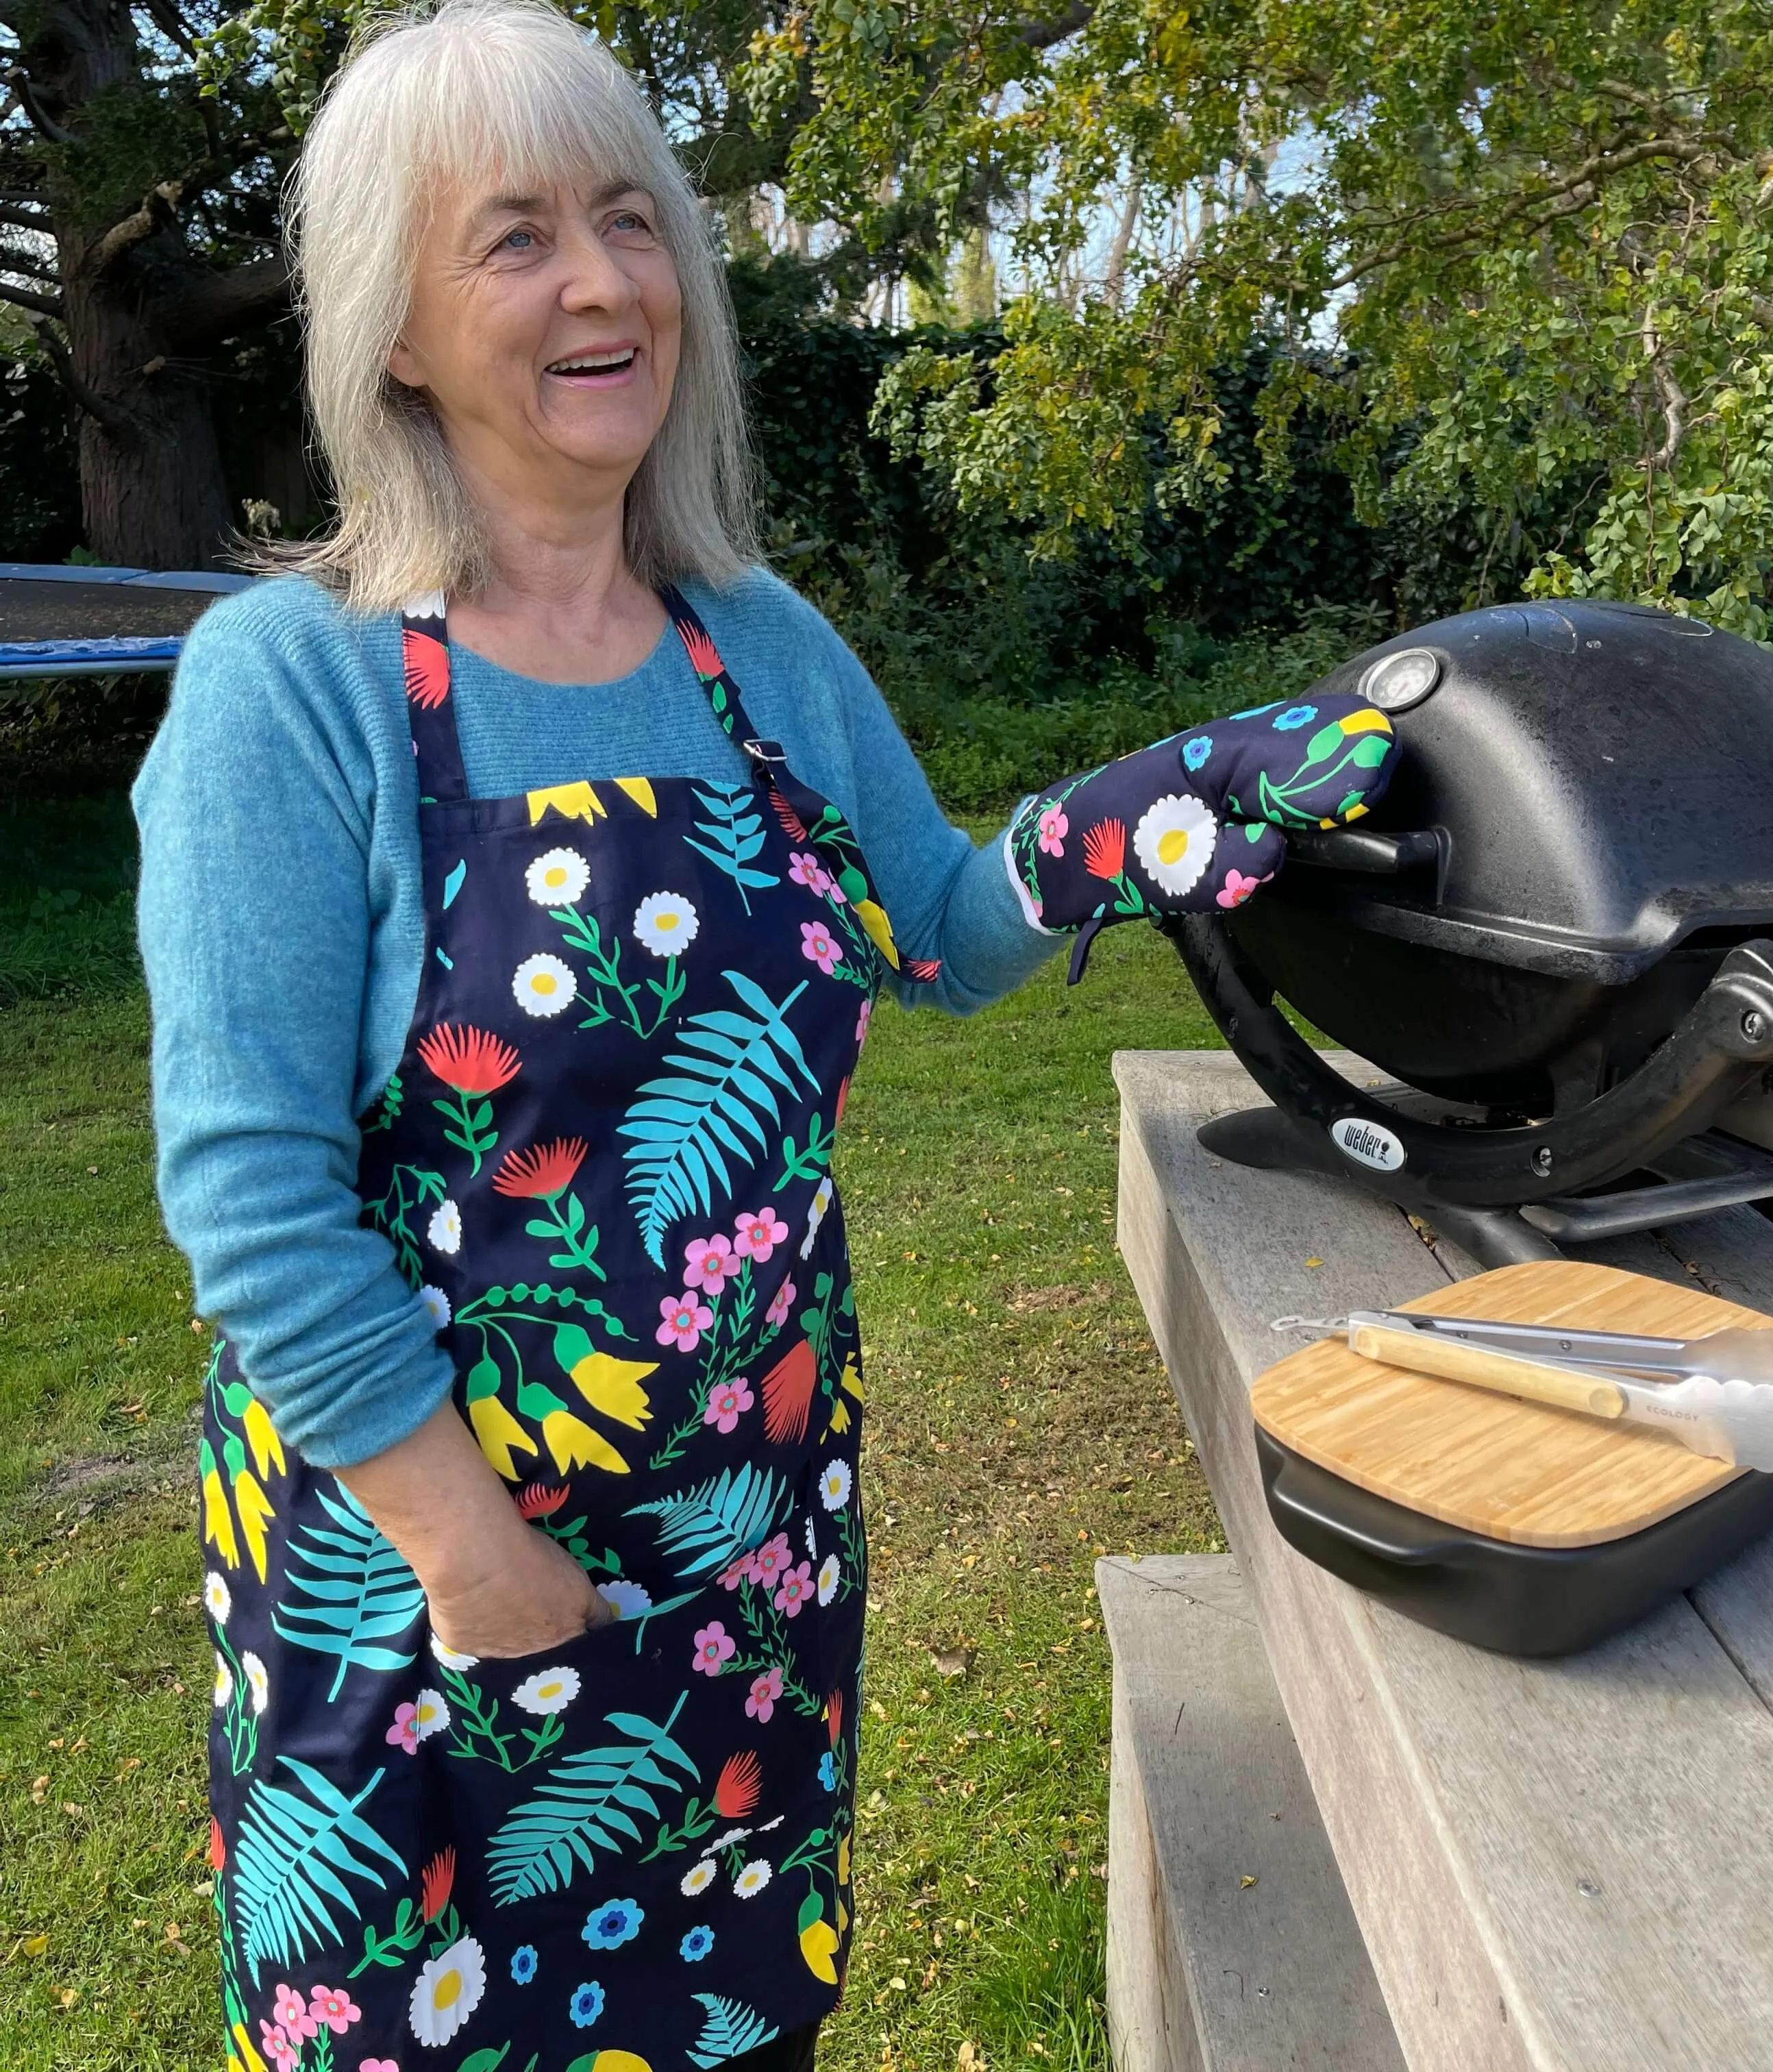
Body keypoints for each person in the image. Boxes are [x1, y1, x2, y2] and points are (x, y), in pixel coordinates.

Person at [133, 3, 1398, 2064]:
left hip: (752, 1554)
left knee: (721, 2027)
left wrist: (1196, 794)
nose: (605, 281)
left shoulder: (762, 649)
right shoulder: (301, 687)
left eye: (633, 223)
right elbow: (253, 1198)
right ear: (390, 329)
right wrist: (476, 1562)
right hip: (422, 1597)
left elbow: (948, 934)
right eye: (516, 237)